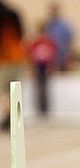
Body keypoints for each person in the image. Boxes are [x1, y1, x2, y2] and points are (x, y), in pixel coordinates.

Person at [0, 0, 26, 130]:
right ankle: (14, 116)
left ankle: (9, 115)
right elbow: (22, 34)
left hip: (4, 59)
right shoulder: (13, 14)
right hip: (18, 57)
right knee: (15, 90)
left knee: (3, 91)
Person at [28, 23, 57, 114]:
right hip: (38, 66)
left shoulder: (48, 41)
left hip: (45, 66)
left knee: (45, 88)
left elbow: (52, 54)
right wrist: (32, 68)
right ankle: (40, 108)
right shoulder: (36, 42)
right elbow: (31, 55)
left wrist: (51, 66)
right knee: (39, 88)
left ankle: (45, 108)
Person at [45, 2, 74, 71]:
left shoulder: (65, 24)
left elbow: (70, 40)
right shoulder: (48, 24)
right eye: (52, 10)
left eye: (55, 10)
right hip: (51, 56)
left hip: (63, 54)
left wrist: (70, 55)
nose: (53, 12)